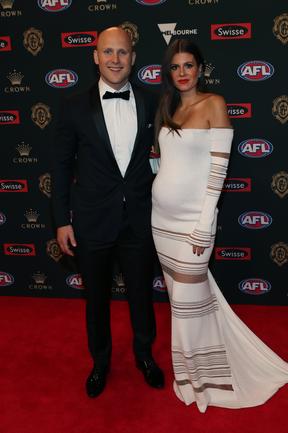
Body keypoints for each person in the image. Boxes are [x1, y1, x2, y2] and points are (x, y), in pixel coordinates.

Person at [152, 38, 288, 413]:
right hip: (160, 222)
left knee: (185, 304)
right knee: (184, 303)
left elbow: (218, 172)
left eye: (188, 66)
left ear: (200, 68)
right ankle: (192, 374)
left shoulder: (214, 104)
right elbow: (166, 164)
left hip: (194, 223)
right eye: (175, 67)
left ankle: (203, 382)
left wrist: (204, 222)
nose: (182, 73)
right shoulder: (169, 107)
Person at [51, 26, 164, 398]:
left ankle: (145, 356)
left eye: (123, 52)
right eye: (108, 52)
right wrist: (62, 220)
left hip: (138, 221)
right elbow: (62, 167)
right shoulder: (72, 107)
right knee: (96, 299)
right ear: (95, 56)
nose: (115, 59)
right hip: (91, 221)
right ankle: (100, 362)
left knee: (141, 297)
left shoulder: (152, 101)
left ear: (133, 58)